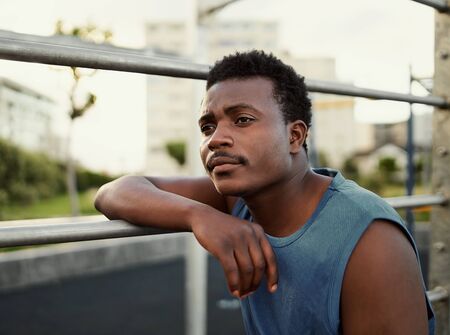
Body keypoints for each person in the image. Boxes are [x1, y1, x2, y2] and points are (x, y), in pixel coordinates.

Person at [95, 50, 434, 334]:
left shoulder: (371, 241)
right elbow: (115, 192)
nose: (215, 139)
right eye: (207, 126)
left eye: (241, 120)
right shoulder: (237, 199)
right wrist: (198, 215)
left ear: (295, 136)